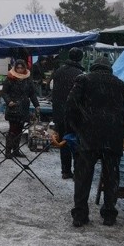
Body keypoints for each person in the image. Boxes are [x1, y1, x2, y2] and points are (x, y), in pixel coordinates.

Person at [65, 57, 124, 227]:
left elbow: (70, 106)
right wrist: (122, 130)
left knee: (83, 177)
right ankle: (109, 214)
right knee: (111, 177)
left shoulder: (83, 80)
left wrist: (76, 127)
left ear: (94, 67)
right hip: (112, 139)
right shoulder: (120, 85)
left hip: (88, 137)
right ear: (109, 69)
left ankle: (80, 214)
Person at [50, 47, 85, 179]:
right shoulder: (80, 74)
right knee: (76, 142)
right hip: (74, 114)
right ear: (80, 58)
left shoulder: (59, 71)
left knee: (63, 141)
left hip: (59, 112)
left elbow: (53, 92)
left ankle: (65, 170)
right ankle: (77, 171)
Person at [1, 59, 40, 159]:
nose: (20, 69)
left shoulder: (27, 79)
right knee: (12, 130)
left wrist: (37, 105)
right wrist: (9, 101)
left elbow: (32, 94)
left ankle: (16, 150)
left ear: (24, 68)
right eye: (18, 67)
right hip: (13, 108)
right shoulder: (10, 78)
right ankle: (8, 151)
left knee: (19, 130)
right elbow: (4, 92)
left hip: (23, 108)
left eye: (21, 67)